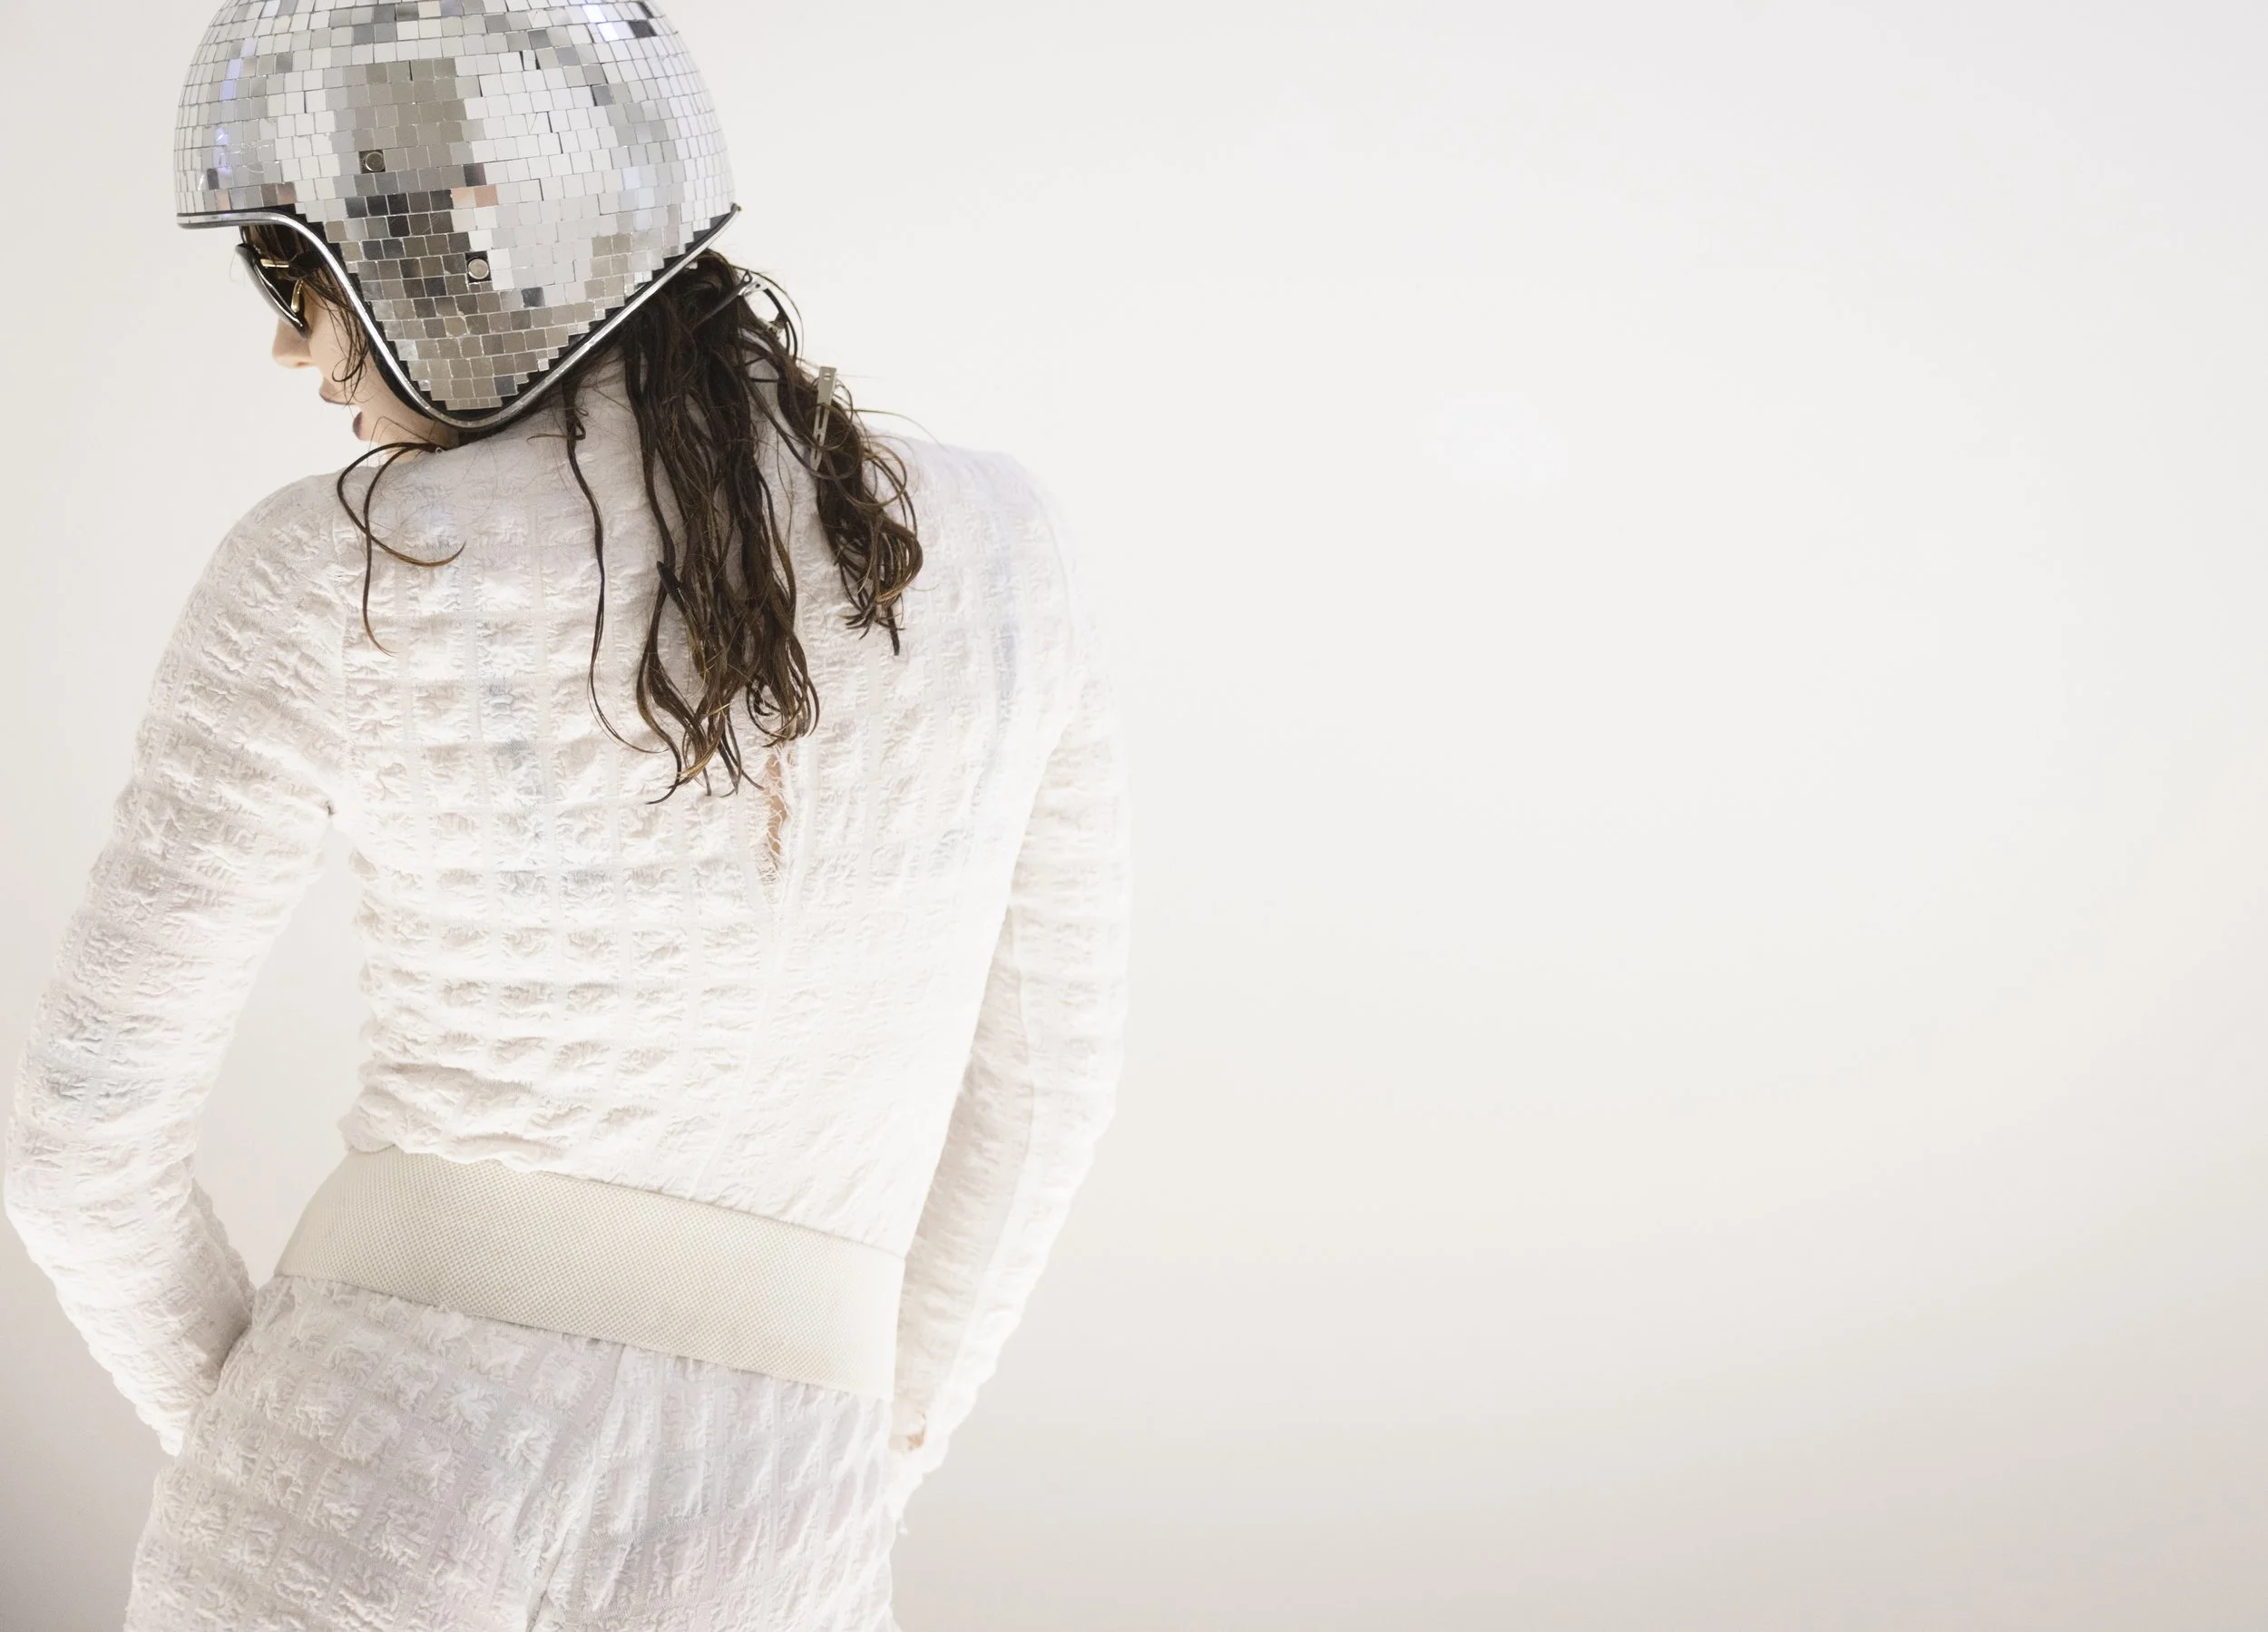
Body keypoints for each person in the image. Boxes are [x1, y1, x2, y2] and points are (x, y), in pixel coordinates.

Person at [2, 2, 1130, 1627]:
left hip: (343, 1508)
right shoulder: (1012, 559)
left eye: (294, 274)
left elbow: (81, 1139)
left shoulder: (342, 561)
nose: (291, 351)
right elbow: (1043, 1102)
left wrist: (290, 1459)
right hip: (782, 1552)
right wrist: (845, 1462)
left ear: (456, 253)